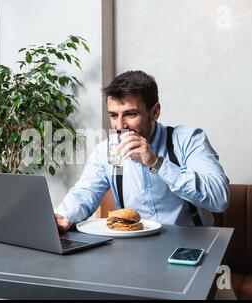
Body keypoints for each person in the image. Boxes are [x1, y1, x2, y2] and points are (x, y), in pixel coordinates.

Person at [54, 70, 229, 231]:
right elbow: (85, 192)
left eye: (131, 114)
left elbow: (219, 199)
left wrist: (156, 163)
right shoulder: (107, 150)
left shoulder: (187, 140)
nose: (120, 125)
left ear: (155, 112)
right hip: (133, 249)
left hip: (190, 246)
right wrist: (63, 215)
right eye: (114, 115)